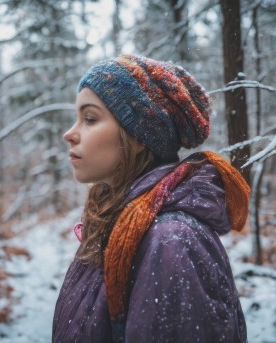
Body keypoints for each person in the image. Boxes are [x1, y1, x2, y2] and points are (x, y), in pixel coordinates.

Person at [53, 55, 249, 343]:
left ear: (140, 135)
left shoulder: (173, 243)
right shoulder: (114, 222)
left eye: (90, 118)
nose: (69, 133)